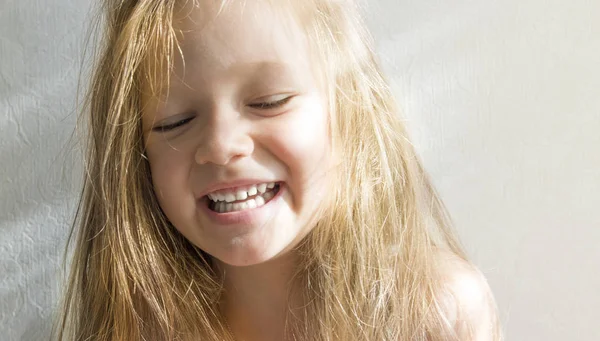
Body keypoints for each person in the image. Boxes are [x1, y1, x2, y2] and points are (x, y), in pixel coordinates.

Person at [55, 0, 502, 340]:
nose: (221, 146)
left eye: (268, 102)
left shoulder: (434, 312)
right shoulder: (139, 326)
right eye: (175, 122)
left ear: (350, 112)